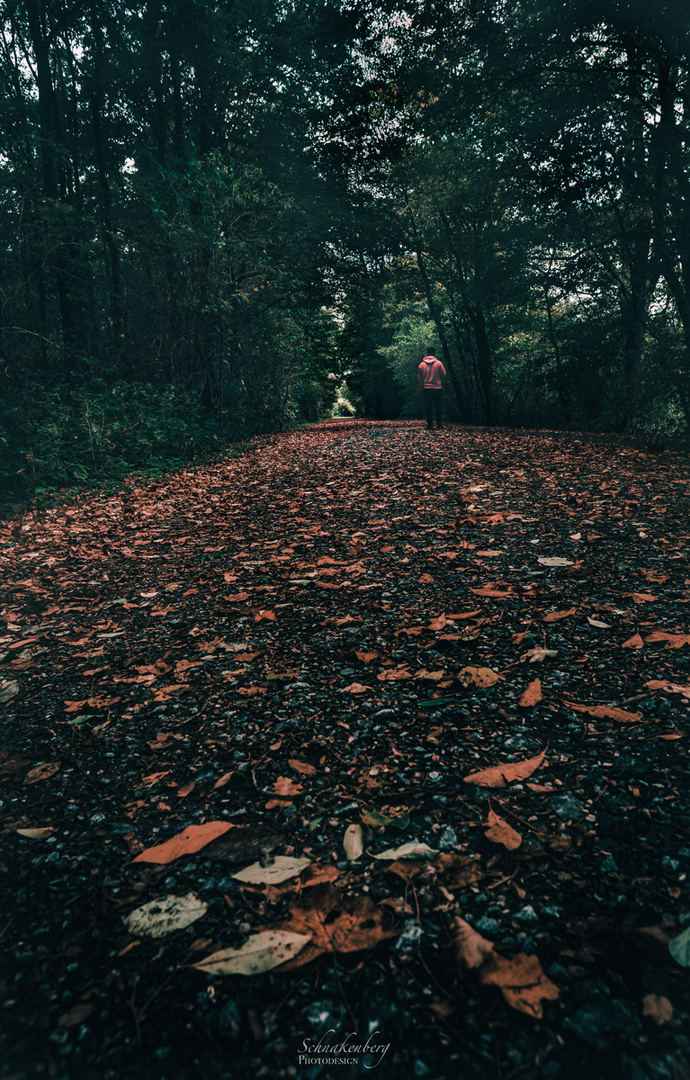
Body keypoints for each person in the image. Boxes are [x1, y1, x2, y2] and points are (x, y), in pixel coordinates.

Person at [418, 351, 446, 431]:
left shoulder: (421, 365)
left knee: (428, 407)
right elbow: (443, 374)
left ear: (427, 354)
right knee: (438, 406)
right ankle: (439, 425)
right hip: (437, 388)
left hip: (427, 388)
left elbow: (420, 379)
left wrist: (421, 389)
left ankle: (429, 425)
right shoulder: (439, 363)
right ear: (434, 354)